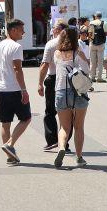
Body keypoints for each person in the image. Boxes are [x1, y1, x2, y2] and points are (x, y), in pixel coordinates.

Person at [52, 26, 90, 168]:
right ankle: (79, 157)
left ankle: (62, 147)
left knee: (64, 127)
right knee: (79, 126)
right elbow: (86, 70)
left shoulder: (57, 53)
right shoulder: (78, 53)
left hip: (61, 91)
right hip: (78, 91)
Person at [0, 19, 31, 165]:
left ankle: (10, 156)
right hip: (14, 88)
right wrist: (24, 90)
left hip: (1, 87)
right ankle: (10, 144)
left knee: (5, 123)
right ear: (13, 30)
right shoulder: (16, 46)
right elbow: (17, 69)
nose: (23, 33)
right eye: (21, 30)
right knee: (26, 118)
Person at [38, 20, 69, 151]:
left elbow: (45, 64)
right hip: (68, 79)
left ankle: (52, 140)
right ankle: (64, 143)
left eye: (54, 27)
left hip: (53, 78)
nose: (52, 29)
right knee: (67, 112)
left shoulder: (51, 44)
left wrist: (40, 83)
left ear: (58, 30)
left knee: (50, 111)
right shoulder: (72, 43)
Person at [88, 12, 107, 82]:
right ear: (101, 16)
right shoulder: (104, 23)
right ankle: (99, 78)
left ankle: (92, 77)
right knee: (100, 62)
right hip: (101, 45)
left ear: (95, 16)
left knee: (92, 62)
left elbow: (90, 33)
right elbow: (106, 33)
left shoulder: (91, 23)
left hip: (92, 44)